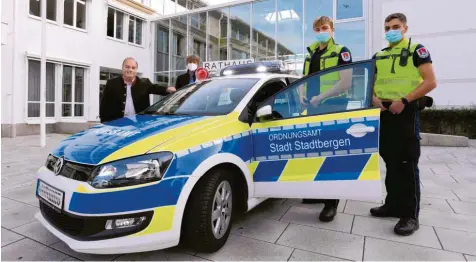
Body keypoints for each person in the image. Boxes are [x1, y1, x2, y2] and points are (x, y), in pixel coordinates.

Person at [370, 13, 437, 236]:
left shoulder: (418, 50)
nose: (391, 30)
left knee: (407, 164)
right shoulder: (379, 55)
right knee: (390, 161)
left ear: (405, 28)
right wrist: (373, 99)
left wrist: (405, 100)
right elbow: (370, 82)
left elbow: (430, 82)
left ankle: (410, 215)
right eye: (387, 27)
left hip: (406, 111)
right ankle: (393, 205)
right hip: (384, 112)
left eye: (396, 26)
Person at [298, 16, 353, 222]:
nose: (321, 31)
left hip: (334, 106)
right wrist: (301, 95)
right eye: (318, 28)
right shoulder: (310, 53)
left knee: (331, 154)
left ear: (332, 30)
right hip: (312, 107)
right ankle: (318, 193)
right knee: (315, 152)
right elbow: (304, 79)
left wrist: (321, 97)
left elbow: (345, 82)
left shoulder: (341, 52)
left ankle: (331, 203)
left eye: (325, 28)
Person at [99, 57, 176, 123]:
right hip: (117, 124)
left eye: (133, 68)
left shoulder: (144, 83)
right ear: (122, 68)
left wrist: (167, 89)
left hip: (138, 124)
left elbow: (156, 88)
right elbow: (104, 105)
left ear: (136, 70)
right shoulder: (112, 83)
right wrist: (104, 121)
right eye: (127, 67)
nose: (130, 70)